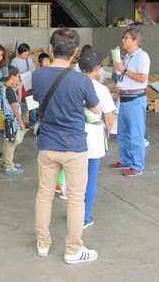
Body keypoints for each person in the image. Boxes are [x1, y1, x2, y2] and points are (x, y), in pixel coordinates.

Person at [32, 28, 101, 264]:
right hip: (74, 147)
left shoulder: (37, 75)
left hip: (48, 145)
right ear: (75, 53)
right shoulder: (82, 79)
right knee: (75, 199)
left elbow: (39, 100)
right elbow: (96, 109)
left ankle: (43, 243)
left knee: (44, 195)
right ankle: (73, 250)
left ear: (51, 50)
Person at [78, 48, 115, 229]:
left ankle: (74, 213)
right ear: (98, 68)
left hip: (73, 138)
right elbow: (109, 119)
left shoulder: (71, 85)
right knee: (90, 179)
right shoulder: (101, 90)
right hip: (93, 139)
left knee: (75, 178)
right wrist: (106, 135)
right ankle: (84, 217)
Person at [111, 28, 150, 177]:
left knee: (136, 134)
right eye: (123, 37)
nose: (123, 40)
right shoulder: (127, 57)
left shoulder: (142, 57)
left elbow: (142, 78)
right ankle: (126, 160)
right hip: (125, 99)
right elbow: (124, 75)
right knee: (123, 133)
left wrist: (124, 70)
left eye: (126, 38)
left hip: (136, 99)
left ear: (135, 40)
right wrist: (119, 75)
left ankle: (137, 164)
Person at [0, 65, 25, 175]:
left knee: (7, 140)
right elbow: (14, 107)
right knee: (11, 143)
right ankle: (9, 166)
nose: (18, 79)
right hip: (12, 121)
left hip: (7, 120)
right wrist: (21, 121)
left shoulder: (7, 88)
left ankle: (7, 161)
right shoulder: (9, 91)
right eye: (17, 76)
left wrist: (19, 89)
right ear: (12, 76)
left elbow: (18, 101)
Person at [10, 43, 36, 128]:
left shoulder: (29, 60)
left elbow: (33, 71)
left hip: (29, 85)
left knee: (32, 106)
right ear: (20, 52)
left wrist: (30, 71)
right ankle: (20, 123)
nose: (26, 54)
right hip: (19, 85)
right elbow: (13, 74)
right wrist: (25, 72)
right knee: (19, 105)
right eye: (25, 52)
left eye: (27, 52)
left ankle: (33, 124)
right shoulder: (15, 61)